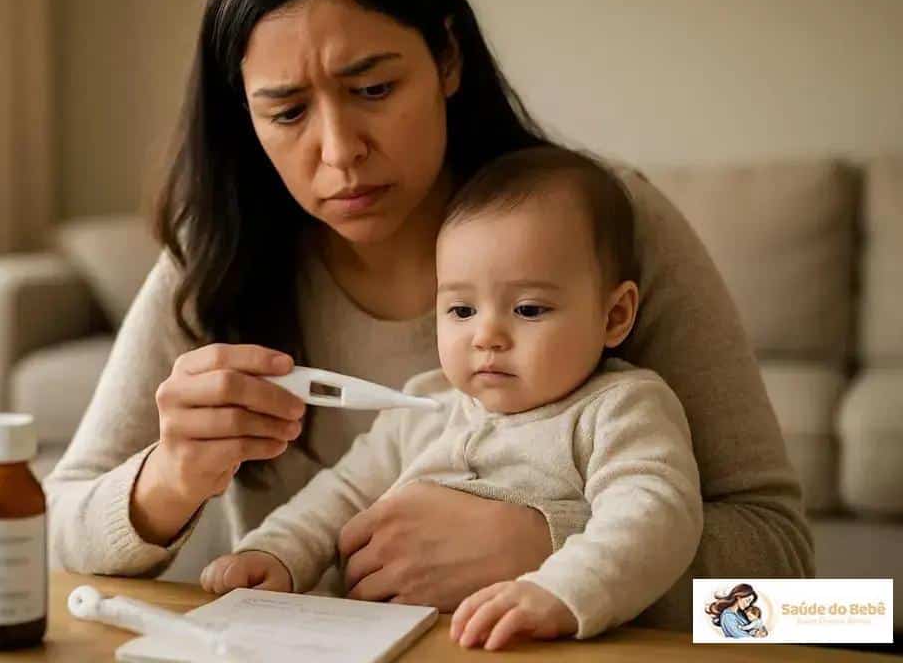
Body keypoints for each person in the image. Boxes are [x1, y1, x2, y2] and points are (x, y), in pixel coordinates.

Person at [44, 0, 812, 631]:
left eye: (374, 89)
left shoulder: (606, 227)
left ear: (447, 57)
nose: (340, 152)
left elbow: (798, 591)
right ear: (244, 114)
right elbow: (59, 529)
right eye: (286, 111)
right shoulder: (218, 261)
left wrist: (551, 548)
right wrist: (168, 479)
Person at [199, 147, 704, 650]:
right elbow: (339, 495)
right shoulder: (424, 407)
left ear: (614, 316)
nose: (486, 336)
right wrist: (276, 553)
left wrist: (561, 591)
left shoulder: (619, 409)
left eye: (528, 309)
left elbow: (655, 515)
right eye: (461, 310)